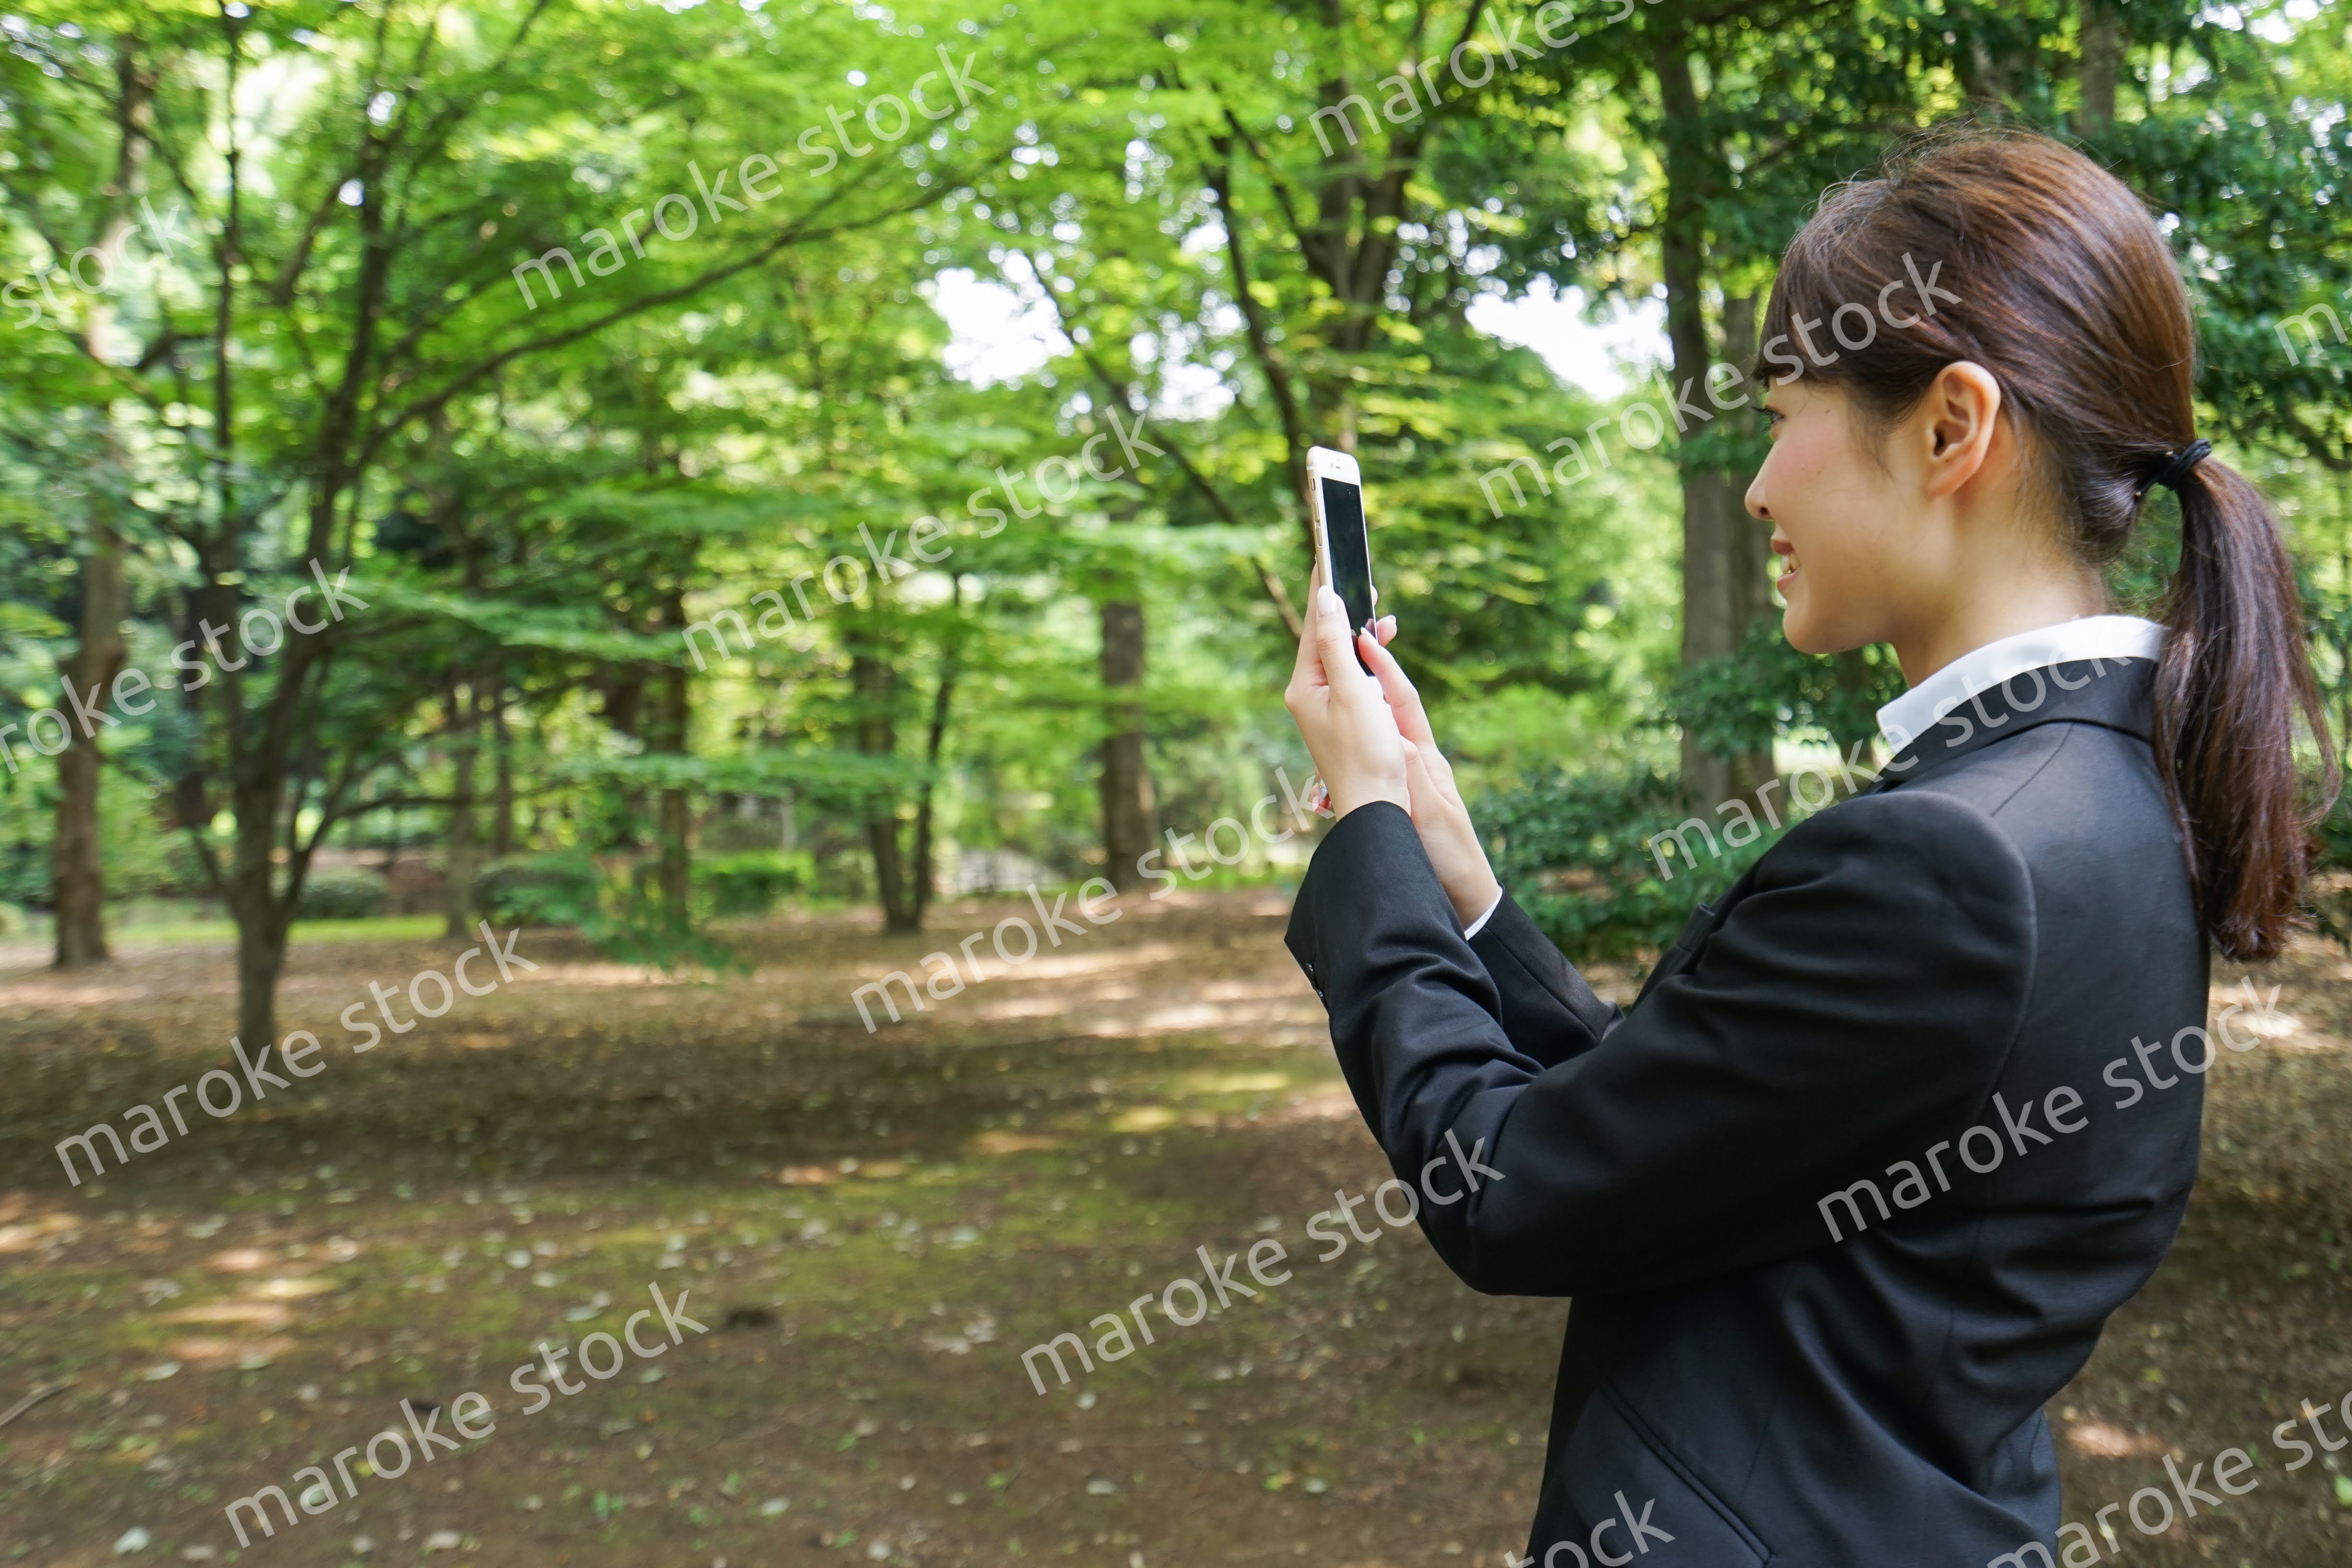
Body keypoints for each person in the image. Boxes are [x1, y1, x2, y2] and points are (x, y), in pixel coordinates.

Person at [1281, 127, 2334, 1567]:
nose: (1760, 486)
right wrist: (1454, 879)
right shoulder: (2104, 799)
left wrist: (1365, 835)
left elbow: (1508, 1189)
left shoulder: (1950, 864)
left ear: (1951, 427)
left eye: (1786, 415)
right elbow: (1686, 1132)